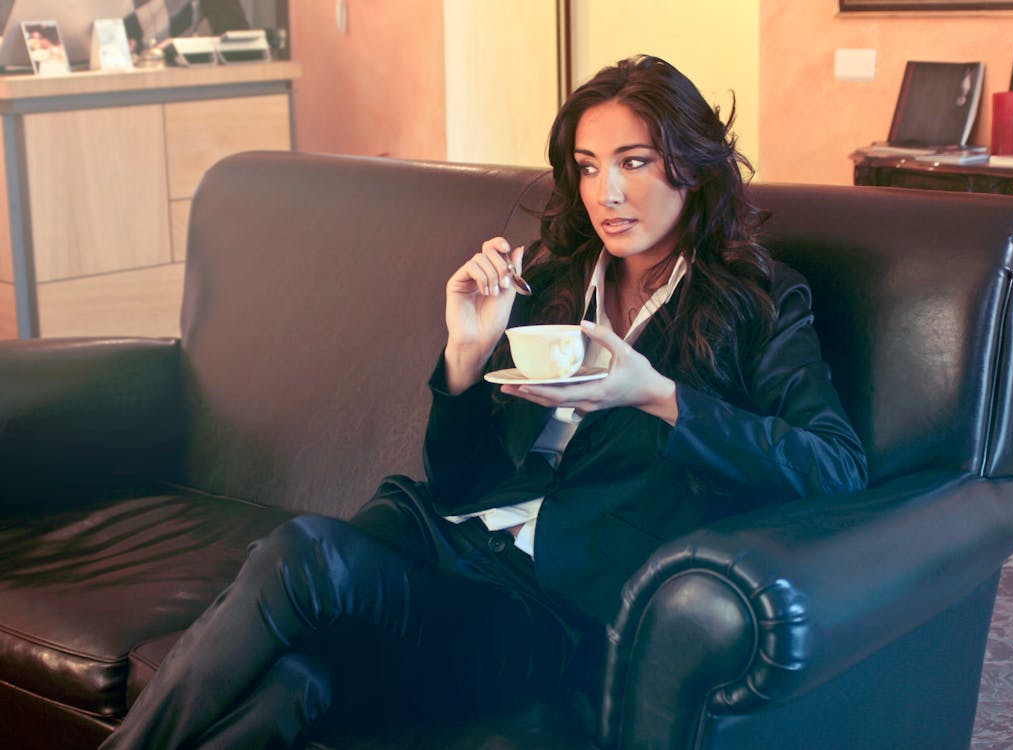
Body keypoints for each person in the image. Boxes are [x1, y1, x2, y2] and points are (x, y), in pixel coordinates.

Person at [98, 54, 869, 750]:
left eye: (633, 163)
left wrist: (660, 397)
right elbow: (457, 480)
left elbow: (834, 467)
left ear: (690, 168)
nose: (606, 193)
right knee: (295, 689)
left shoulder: (757, 300)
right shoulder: (553, 275)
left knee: (302, 554)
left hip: (546, 610)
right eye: (587, 165)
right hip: (442, 540)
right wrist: (464, 355)